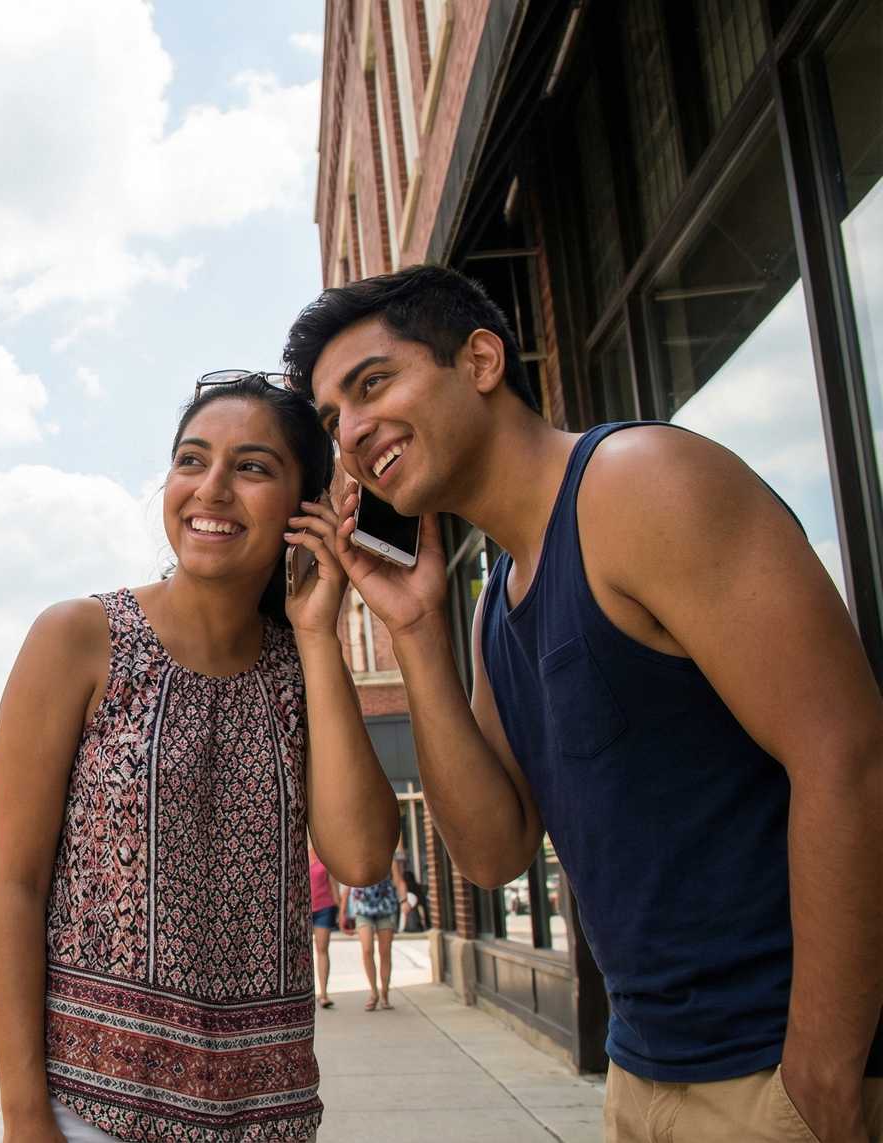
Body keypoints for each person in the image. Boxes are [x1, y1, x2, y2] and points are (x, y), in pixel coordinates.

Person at [284, 264, 883, 1141]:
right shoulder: (497, 596)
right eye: (335, 419)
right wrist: (413, 631)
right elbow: (492, 852)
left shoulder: (640, 482)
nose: (354, 432)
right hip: (645, 1074)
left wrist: (823, 1072)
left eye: (373, 383)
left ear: (481, 359)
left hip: (777, 1076)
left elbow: (849, 755)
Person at [0, 373, 400, 1142]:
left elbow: (363, 855)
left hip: (265, 1116)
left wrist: (317, 636)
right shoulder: (79, 637)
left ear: (303, 506)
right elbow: (13, 885)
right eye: (191, 460)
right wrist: (24, 1111)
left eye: (251, 466)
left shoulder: (299, 669)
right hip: (92, 1110)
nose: (211, 489)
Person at [346, 851, 404, 1012]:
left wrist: (404, 900)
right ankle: (373, 992)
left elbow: (398, 881)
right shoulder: (355, 853)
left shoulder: (387, 853)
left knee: (385, 951)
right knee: (367, 950)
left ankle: (385, 993)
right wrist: (343, 912)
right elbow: (348, 885)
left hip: (385, 907)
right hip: (363, 908)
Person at [308, 843, 341, 1010]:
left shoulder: (326, 858)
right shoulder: (302, 857)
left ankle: (324, 993)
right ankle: (307, 992)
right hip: (304, 909)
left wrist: (340, 912)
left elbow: (334, 886)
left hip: (324, 908)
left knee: (322, 948)